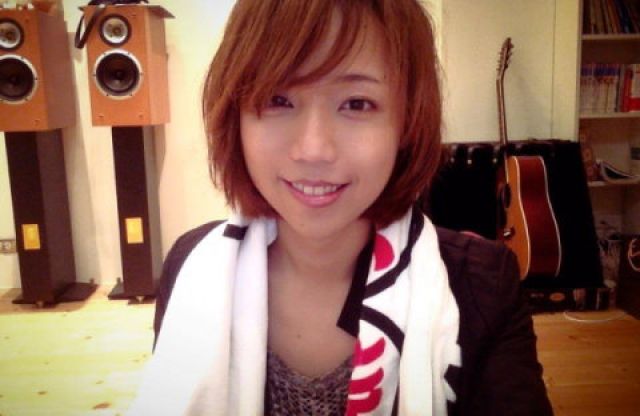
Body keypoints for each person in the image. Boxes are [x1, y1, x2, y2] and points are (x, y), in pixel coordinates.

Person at [128, 0, 553, 415]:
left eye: (357, 103)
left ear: (407, 122)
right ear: (235, 116)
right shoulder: (193, 269)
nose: (313, 149)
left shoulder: (481, 287)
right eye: (278, 99)